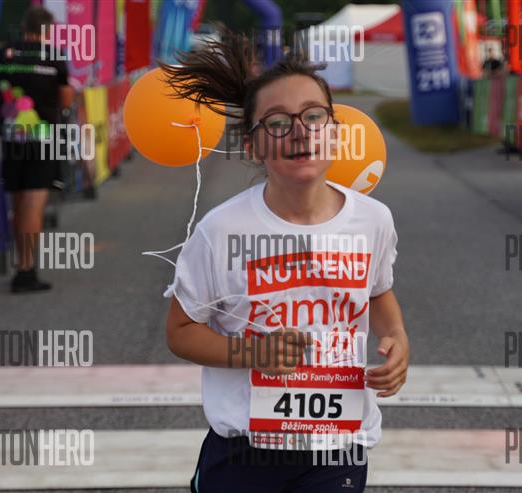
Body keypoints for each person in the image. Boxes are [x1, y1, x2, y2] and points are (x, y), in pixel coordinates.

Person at [162, 31, 409, 493]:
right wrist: (253, 353)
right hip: (243, 450)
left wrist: (396, 336)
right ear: (252, 146)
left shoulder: (373, 220)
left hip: (338, 445)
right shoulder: (221, 230)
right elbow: (180, 330)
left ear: (334, 131)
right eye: (277, 122)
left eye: (313, 116)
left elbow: (378, 292)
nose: (299, 131)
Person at [0, 5, 74, 292]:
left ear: (23, 27)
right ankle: (26, 269)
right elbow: (66, 100)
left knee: (19, 201)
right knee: (35, 201)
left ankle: (20, 264)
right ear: (47, 30)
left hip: (12, 138)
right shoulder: (54, 57)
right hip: (43, 139)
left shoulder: (2, 55)